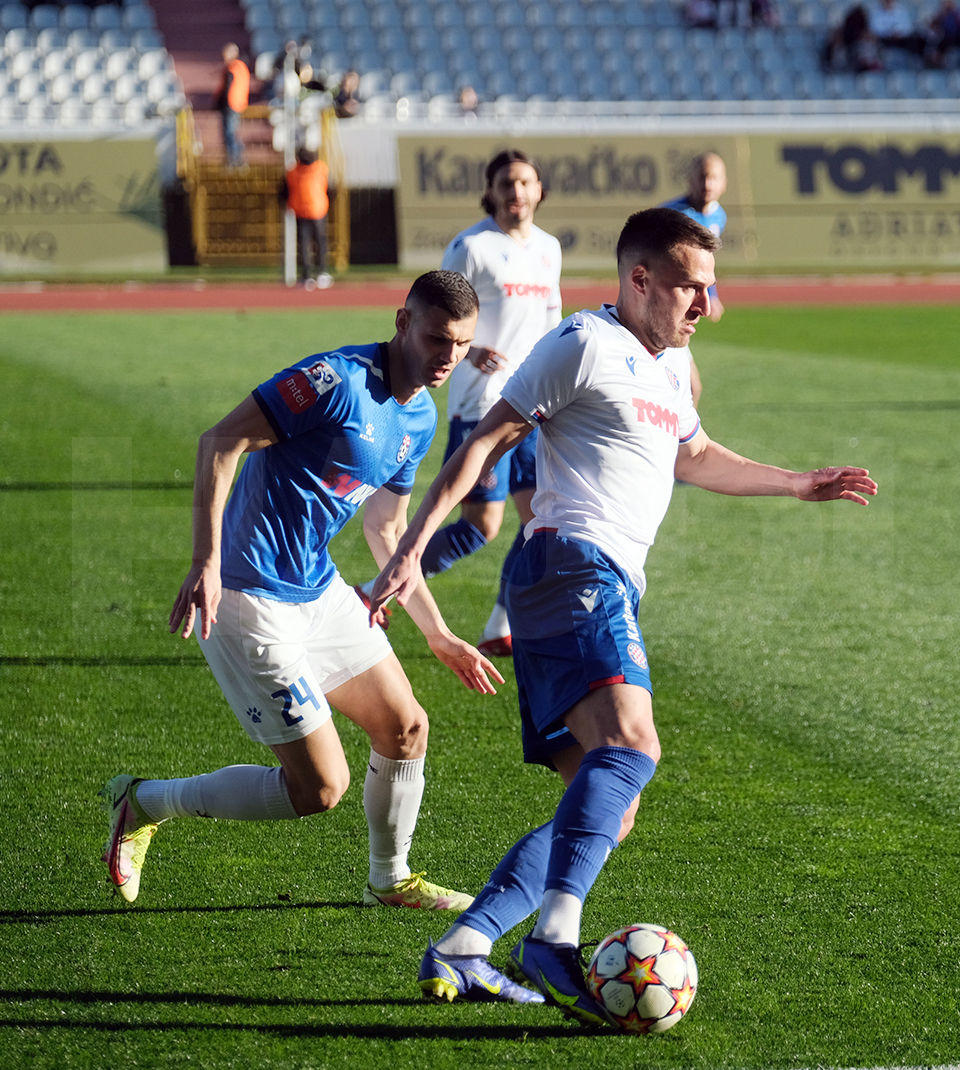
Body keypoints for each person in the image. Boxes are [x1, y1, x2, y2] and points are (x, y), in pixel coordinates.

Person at [370, 208, 877, 1018]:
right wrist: (411, 545)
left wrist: (795, 482)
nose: (705, 306)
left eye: (711, 289)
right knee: (636, 744)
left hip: (587, 582)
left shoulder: (669, 365)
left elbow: (696, 455)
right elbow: (488, 441)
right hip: (572, 565)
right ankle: (553, 940)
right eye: (690, 288)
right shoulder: (583, 343)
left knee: (611, 806)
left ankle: (466, 945)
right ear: (639, 280)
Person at [100, 271, 504, 914]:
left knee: (406, 727)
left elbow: (388, 528)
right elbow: (219, 442)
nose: (448, 357)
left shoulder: (420, 417)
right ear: (402, 323)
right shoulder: (334, 381)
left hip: (318, 590)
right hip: (248, 597)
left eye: (460, 345)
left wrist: (438, 632)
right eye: (436, 338)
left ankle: (389, 881)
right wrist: (206, 561)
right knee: (319, 789)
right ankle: (144, 802)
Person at [370, 149, 561, 661]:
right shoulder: (473, 246)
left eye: (524, 182)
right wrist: (469, 350)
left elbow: (552, 319)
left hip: (536, 408)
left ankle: (502, 624)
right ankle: (382, 586)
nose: (516, 192)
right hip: (483, 405)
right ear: (491, 191)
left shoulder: (549, 249)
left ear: (540, 189)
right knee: (480, 525)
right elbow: (435, 310)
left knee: (541, 521)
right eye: (506, 183)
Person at [660, 150, 727, 345]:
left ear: (724, 183)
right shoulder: (671, 215)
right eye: (702, 177)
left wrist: (711, 295)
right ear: (691, 180)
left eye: (713, 178)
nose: (707, 184)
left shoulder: (719, 216)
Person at [284, 147, 332, 289]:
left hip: (305, 212)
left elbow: (283, 191)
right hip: (317, 211)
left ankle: (309, 275)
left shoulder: (293, 172)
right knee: (318, 243)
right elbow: (331, 189)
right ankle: (321, 272)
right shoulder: (321, 168)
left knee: (306, 245)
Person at [215, 42, 250, 168]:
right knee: (232, 133)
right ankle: (237, 160)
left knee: (229, 133)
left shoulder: (233, 68)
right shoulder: (240, 67)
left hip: (231, 104)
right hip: (237, 104)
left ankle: (234, 161)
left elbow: (227, 88)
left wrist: (218, 102)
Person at [822, 4, 884, 72]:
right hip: (844, 61)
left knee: (867, 46)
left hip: (856, 57)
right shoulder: (841, 33)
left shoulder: (866, 34)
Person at [927, 0, 960, 66]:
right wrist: (942, 14)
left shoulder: (957, 14)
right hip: (943, 39)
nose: (948, 4)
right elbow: (933, 25)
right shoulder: (941, 14)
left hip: (957, 39)